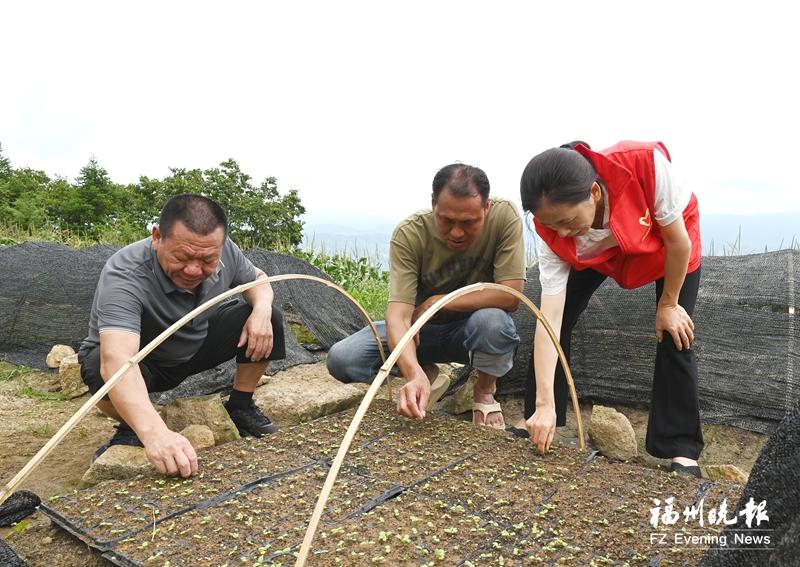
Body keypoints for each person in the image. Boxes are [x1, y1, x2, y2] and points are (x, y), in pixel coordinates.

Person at [519, 140, 704, 477]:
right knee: (559, 323)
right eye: (550, 224)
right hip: (595, 253)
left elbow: (679, 242)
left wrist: (669, 304)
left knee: (675, 329)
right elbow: (550, 321)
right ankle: (540, 415)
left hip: (666, 246)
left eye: (566, 219)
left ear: (594, 193)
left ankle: (682, 448)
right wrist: (544, 402)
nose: (560, 231)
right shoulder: (557, 236)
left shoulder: (646, 167)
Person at [78, 194, 286, 478]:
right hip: (146, 362)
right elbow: (118, 359)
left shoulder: (225, 251)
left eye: (207, 260)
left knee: (269, 318)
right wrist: (156, 434)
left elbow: (259, 279)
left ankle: (240, 405)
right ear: (157, 237)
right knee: (98, 366)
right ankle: (133, 425)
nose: (193, 270)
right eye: (182, 257)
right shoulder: (125, 273)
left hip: (194, 347)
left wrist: (261, 309)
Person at [326, 164, 526, 427]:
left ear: (486, 208)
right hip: (420, 332)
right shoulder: (410, 233)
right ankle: (426, 374)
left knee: (493, 323)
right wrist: (412, 373)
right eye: (447, 221)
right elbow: (398, 315)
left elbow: (510, 294)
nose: (457, 232)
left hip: (470, 332)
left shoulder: (504, 217)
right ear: (434, 205)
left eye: (468, 223)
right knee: (343, 358)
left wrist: (436, 302)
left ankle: (484, 393)